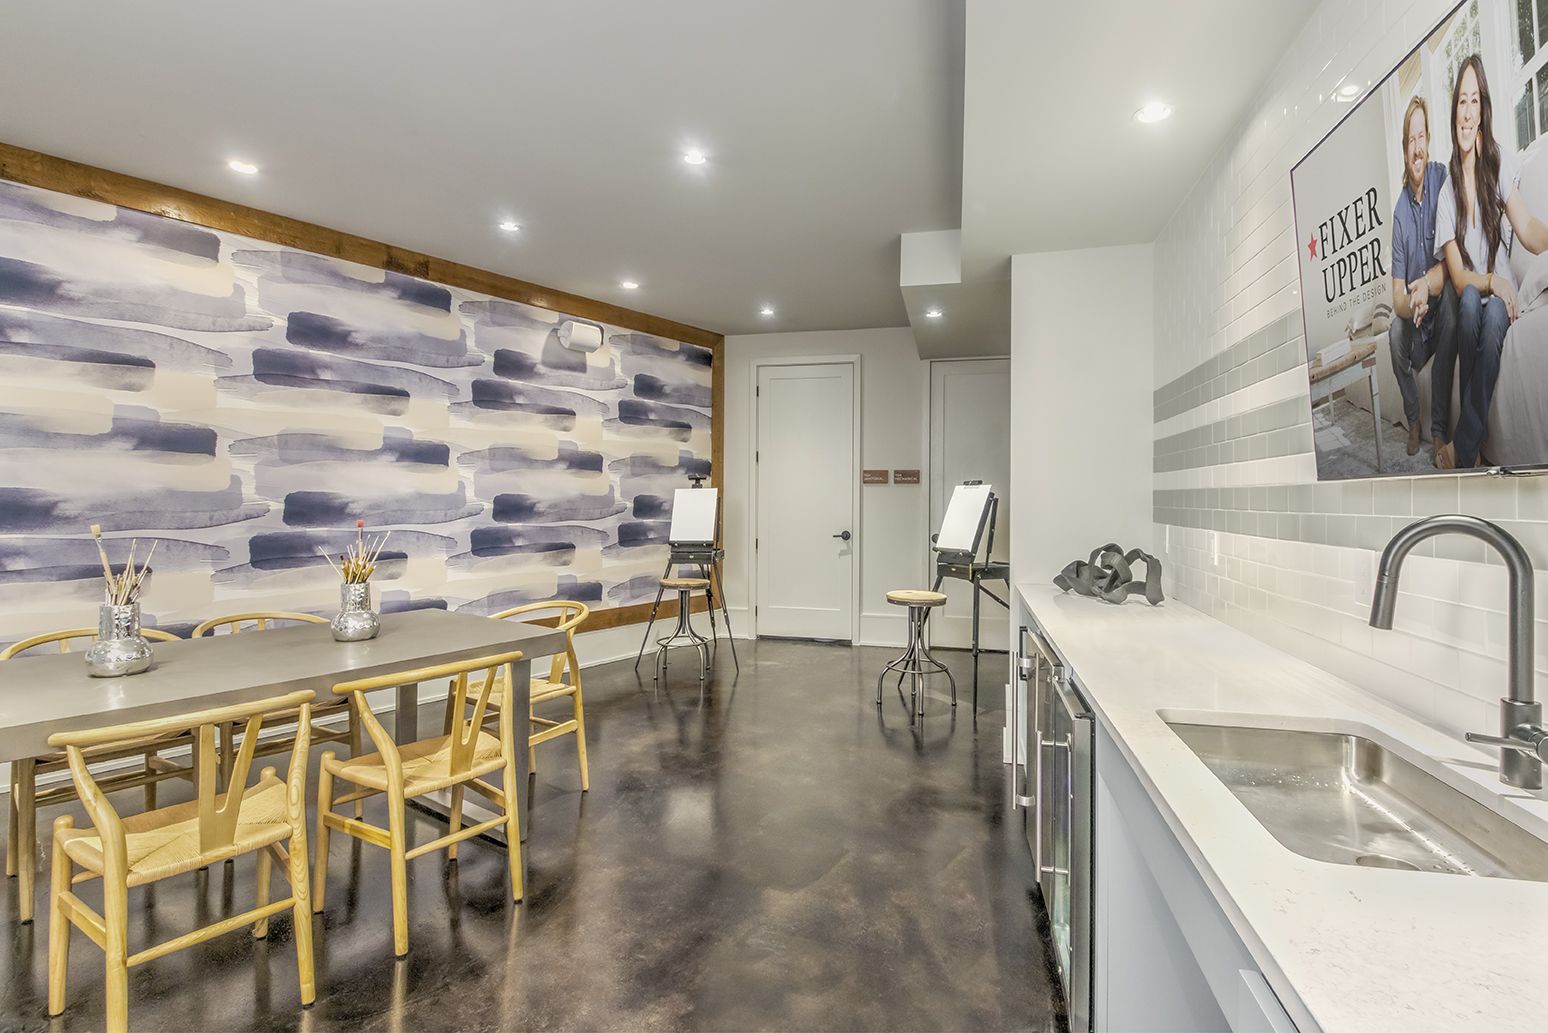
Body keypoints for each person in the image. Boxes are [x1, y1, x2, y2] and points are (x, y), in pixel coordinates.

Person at [1435, 54, 1548, 469]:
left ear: (1482, 111)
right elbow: (1458, 276)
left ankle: (1465, 447)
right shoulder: (1446, 195)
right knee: (1467, 302)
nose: (1467, 113)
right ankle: (1473, 444)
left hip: (1501, 301)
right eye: (1461, 103)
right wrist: (1491, 281)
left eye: (1474, 102)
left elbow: (1527, 227)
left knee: (1495, 313)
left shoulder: (1496, 166)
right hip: (1475, 292)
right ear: (1454, 113)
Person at [1388, 94, 1459, 465]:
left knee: (1452, 303)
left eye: (1421, 137)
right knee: (1392, 333)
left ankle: (1439, 428)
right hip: (1417, 328)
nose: (1416, 148)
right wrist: (1411, 302)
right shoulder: (1400, 214)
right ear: (1404, 150)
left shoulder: (1442, 179)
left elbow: (1455, 260)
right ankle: (1414, 419)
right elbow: (1397, 296)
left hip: (1441, 314)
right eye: (1410, 141)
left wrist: (1427, 287)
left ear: (1428, 140)